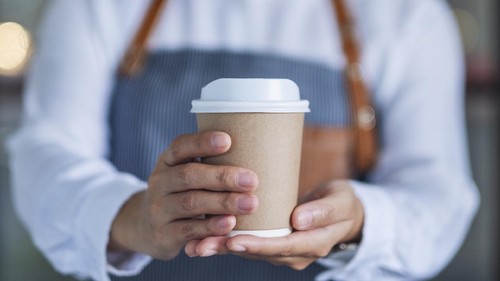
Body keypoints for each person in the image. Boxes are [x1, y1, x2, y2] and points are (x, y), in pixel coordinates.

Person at [7, 0, 479, 280]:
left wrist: (362, 220)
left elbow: (438, 194)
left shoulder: (407, 15)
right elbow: (45, 152)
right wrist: (134, 218)